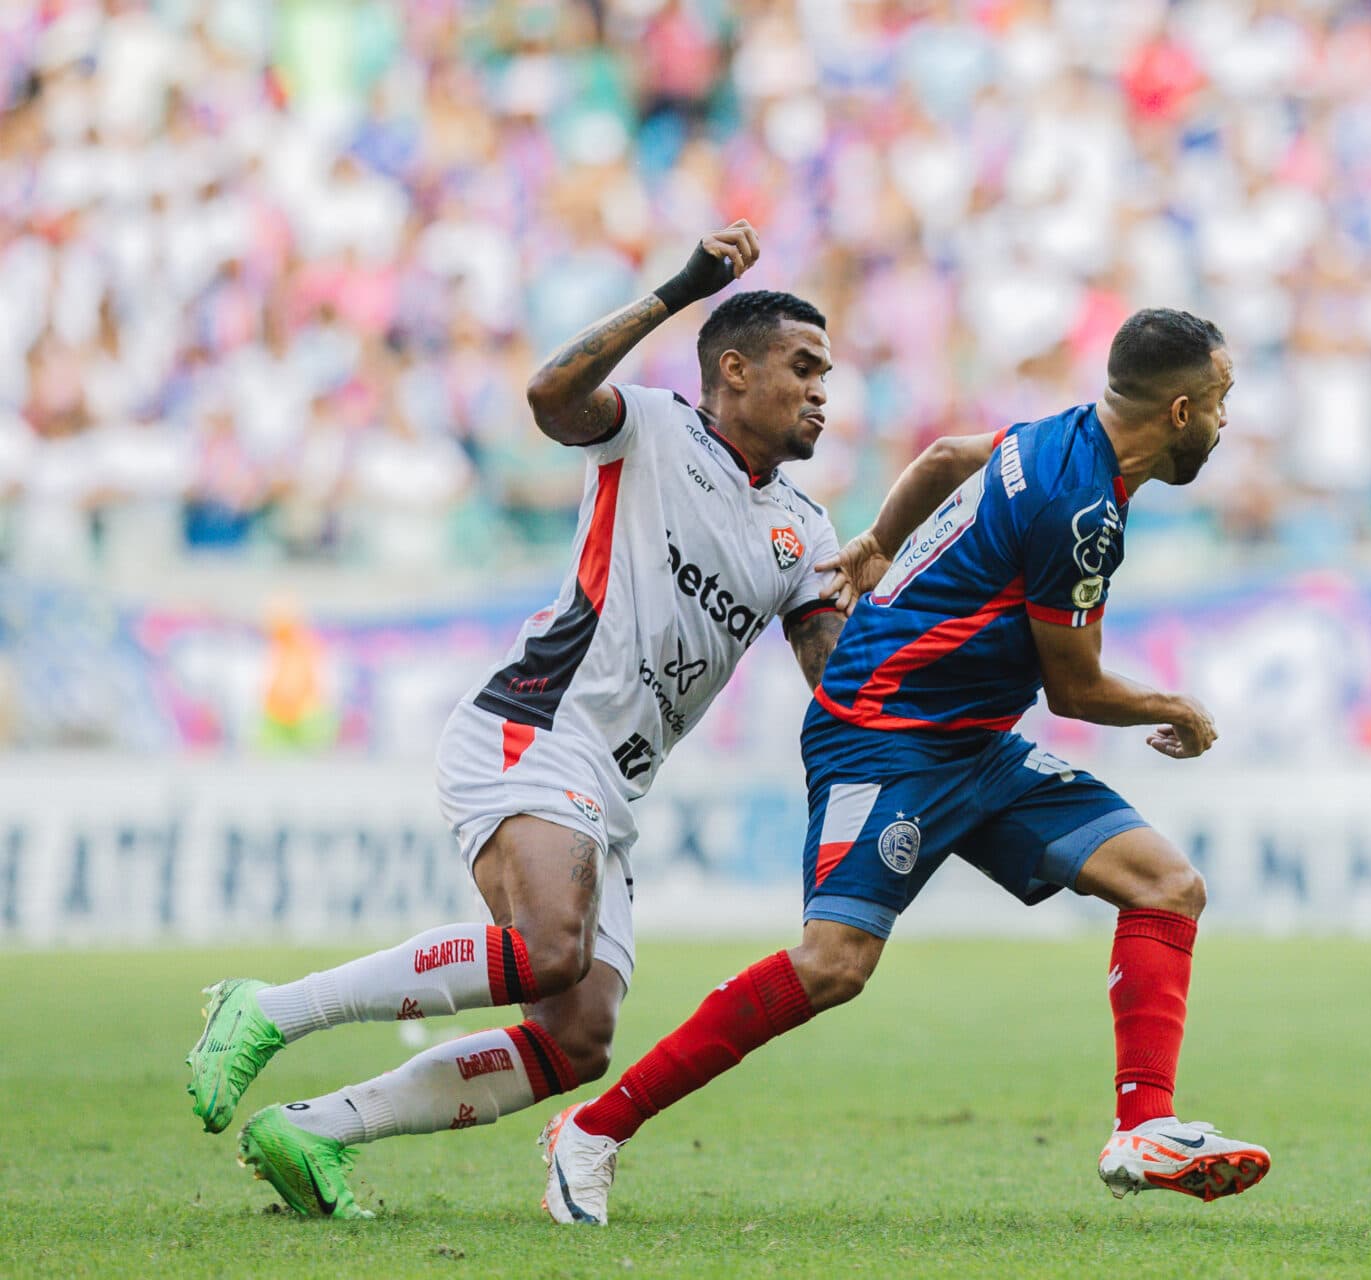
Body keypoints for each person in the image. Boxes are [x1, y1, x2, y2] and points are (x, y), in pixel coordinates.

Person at [536, 309, 1267, 1224]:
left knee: (1165, 885)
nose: (1229, 421)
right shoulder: (1082, 513)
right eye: (1225, 401)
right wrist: (1179, 710)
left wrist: (880, 541)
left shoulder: (1058, 437)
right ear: (1182, 409)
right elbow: (1074, 691)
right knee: (833, 965)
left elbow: (947, 458)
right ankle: (593, 1132)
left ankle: (1142, 1130)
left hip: (969, 740)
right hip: (879, 737)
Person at [185, 221, 851, 1219]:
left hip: (610, 786)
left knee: (577, 1035)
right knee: (550, 946)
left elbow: (837, 681)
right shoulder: (656, 427)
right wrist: (677, 287)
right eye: (802, 368)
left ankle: (316, 1126)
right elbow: (549, 398)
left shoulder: (806, 528)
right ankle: (269, 1009)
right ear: (734, 369)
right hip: (534, 725)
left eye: (828, 374)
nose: (822, 391)